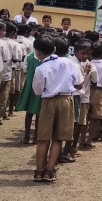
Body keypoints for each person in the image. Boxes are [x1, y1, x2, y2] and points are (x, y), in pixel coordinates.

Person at [31, 35, 82, 182]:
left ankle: (39, 171)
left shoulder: (40, 68)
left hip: (48, 101)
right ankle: (50, 170)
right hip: (66, 100)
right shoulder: (69, 63)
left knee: (43, 138)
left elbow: (37, 91)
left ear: (36, 52)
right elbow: (79, 84)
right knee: (58, 138)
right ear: (54, 49)